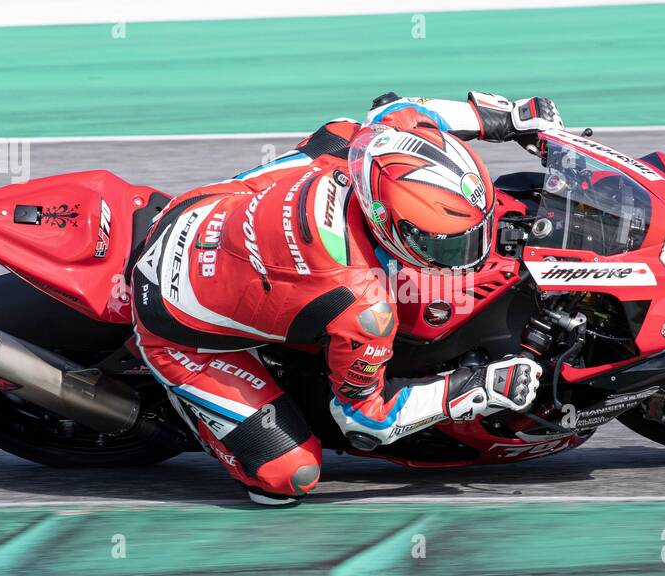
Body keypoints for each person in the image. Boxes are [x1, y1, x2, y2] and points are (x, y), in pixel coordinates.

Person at [131, 92, 564, 505]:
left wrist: (510, 118)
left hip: (198, 210)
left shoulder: (364, 145)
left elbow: (406, 110)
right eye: (448, 246)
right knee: (287, 478)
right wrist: (477, 386)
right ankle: (188, 407)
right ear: (387, 223)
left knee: (332, 138)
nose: (471, 253)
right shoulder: (362, 305)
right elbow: (365, 420)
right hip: (172, 320)